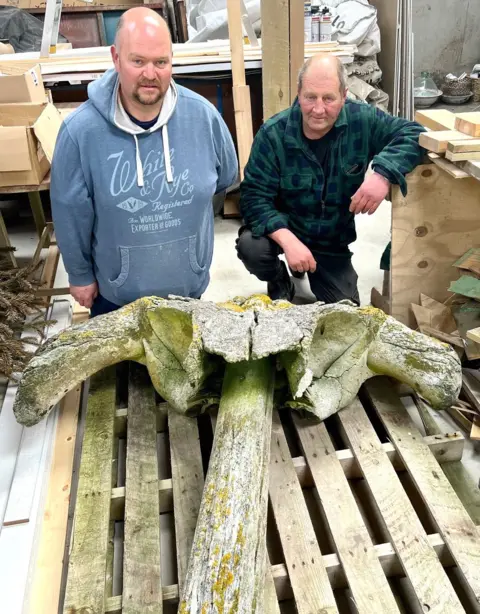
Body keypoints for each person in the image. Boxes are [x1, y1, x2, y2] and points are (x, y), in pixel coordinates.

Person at [51, 7, 238, 317]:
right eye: (137, 61)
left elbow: (224, 177)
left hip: (189, 294)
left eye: (161, 62)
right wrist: (80, 275)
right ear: (115, 57)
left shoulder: (204, 118)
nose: (150, 74)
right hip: (116, 299)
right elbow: (70, 214)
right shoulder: (80, 133)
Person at [236, 54, 425, 303]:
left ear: (344, 95)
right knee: (252, 247)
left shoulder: (362, 120)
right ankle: (279, 276)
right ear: (299, 92)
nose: (318, 109)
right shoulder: (273, 134)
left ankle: (314, 268)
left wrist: (382, 174)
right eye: (310, 97)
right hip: (286, 227)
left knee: (346, 311)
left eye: (329, 99)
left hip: (330, 240)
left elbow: (414, 133)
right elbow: (252, 198)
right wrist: (289, 242)